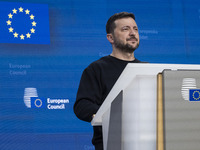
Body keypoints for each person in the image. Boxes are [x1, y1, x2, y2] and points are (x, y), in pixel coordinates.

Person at [74, 12, 144, 150]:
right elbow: (82, 106)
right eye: (125, 29)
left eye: (135, 29)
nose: (132, 33)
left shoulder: (147, 70)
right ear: (110, 38)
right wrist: (114, 114)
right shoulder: (96, 69)